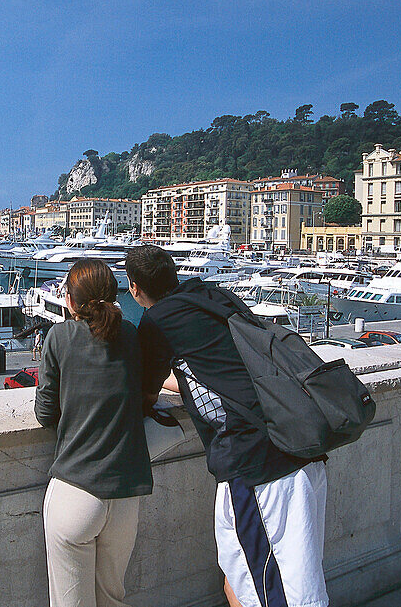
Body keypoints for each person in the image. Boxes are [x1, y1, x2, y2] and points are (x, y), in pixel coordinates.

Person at [126, 245, 329, 607]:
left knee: (272, 593)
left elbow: (144, 387)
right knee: (248, 581)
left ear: (133, 288)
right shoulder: (212, 296)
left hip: (256, 467)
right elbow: (212, 367)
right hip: (297, 444)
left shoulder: (158, 321)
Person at [35, 258, 152, 607]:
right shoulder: (130, 335)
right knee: (113, 600)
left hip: (76, 489)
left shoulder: (59, 336)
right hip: (124, 496)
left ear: (71, 300)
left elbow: (45, 414)